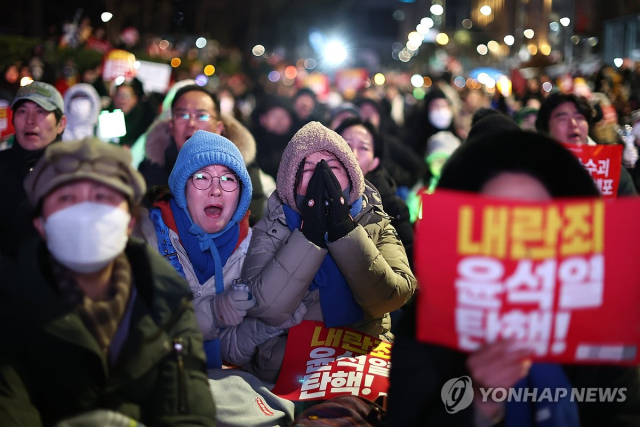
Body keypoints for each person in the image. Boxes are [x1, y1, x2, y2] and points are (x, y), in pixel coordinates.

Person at [387, 130, 640, 426]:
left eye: (535, 219)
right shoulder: (427, 328)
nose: (519, 238)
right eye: (499, 218)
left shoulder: (602, 327)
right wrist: (479, 408)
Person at [0, 136, 217, 426]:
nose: (86, 214)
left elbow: (187, 410)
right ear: (41, 224)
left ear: (129, 221)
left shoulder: (167, 298)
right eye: (67, 198)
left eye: (103, 198)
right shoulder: (10, 303)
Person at [237, 121, 416, 383]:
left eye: (332, 168)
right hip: (287, 365)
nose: (323, 178)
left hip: (363, 357)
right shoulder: (272, 226)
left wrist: (344, 232)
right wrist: (309, 235)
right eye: (309, 169)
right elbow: (266, 307)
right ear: (292, 182)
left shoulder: (375, 221)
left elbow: (391, 297)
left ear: (351, 176)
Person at [137, 130, 303, 370]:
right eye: (202, 177)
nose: (215, 190)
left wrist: (266, 326)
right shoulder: (143, 235)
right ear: (182, 188)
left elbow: (228, 348)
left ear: (241, 196)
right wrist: (212, 312)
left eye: (228, 179)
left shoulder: (252, 252)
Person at [137, 85, 266, 225]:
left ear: (219, 128)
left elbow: (252, 219)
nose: (191, 123)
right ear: (171, 127)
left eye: (202, 116)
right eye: (183, 115)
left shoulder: (242, 167)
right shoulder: (152, 167)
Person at [0, 81, 66, 258]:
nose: (30, 121)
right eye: (22, 111)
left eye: (40, 111)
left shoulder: (77, 173)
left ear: (61, 123)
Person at [335, 117, 414, 264]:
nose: (353, 154)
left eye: (363, 148)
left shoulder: (392, 208)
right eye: (346, 144)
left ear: (374, 162)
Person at [535, 92, 637, 196]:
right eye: (562, 119)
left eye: (579, 117)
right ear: (546, 129)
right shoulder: (533, 170)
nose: (573, 124)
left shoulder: (609, 169)